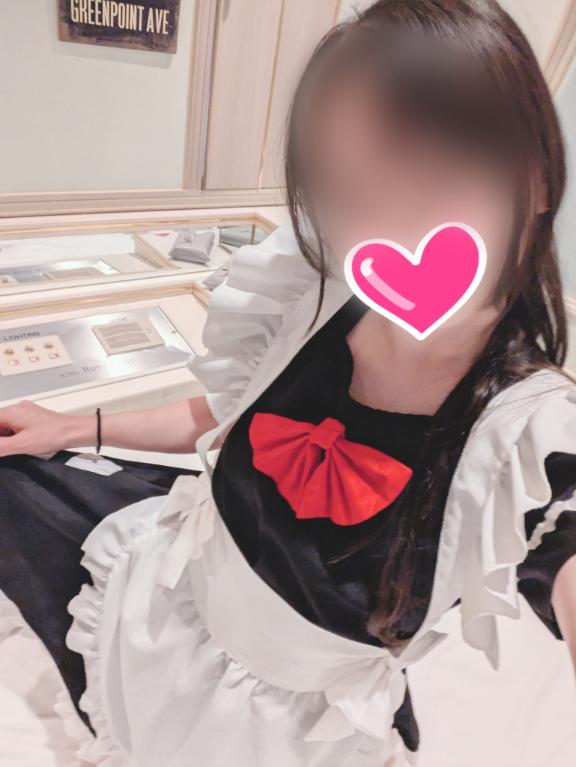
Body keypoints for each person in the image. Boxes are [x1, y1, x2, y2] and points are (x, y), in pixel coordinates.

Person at [1, 1, 576, 765]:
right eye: (344, 187)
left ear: (536, 179)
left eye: (429, 171)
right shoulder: (310, 297)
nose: (382, 221)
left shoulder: (531, 443)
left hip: (274, 731)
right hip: (168, 599)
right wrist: (78, 426)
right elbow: (223, 411)